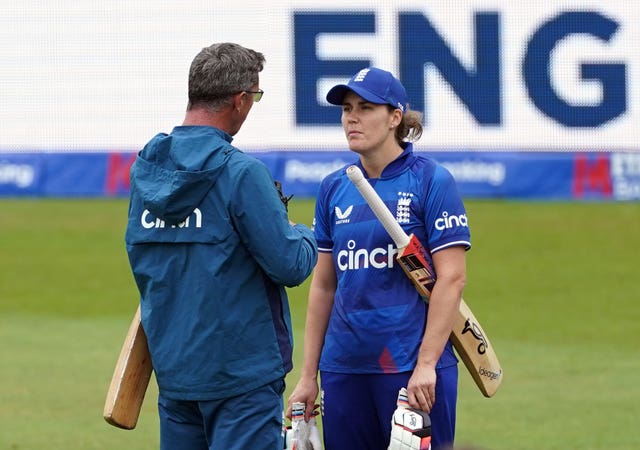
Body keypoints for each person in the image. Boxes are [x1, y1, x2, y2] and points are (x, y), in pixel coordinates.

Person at [125, 42, 318, 450]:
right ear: (240, 100)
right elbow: (290, 265)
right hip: (241, 376)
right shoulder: (242, 173)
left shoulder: (147, 168)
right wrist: (303, 232)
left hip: (176, 370)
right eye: (256, 97)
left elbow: (141, 259)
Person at [287, 67, 471, 450]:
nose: (351, 117)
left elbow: (451, 279)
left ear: (395, 117)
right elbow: (324, 285)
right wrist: (308, 376)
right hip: (343, 369)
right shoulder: (334, 188)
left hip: (409, 369)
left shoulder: (431, 181)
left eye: (366, 107)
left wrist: (426, 364)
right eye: (347, 108)